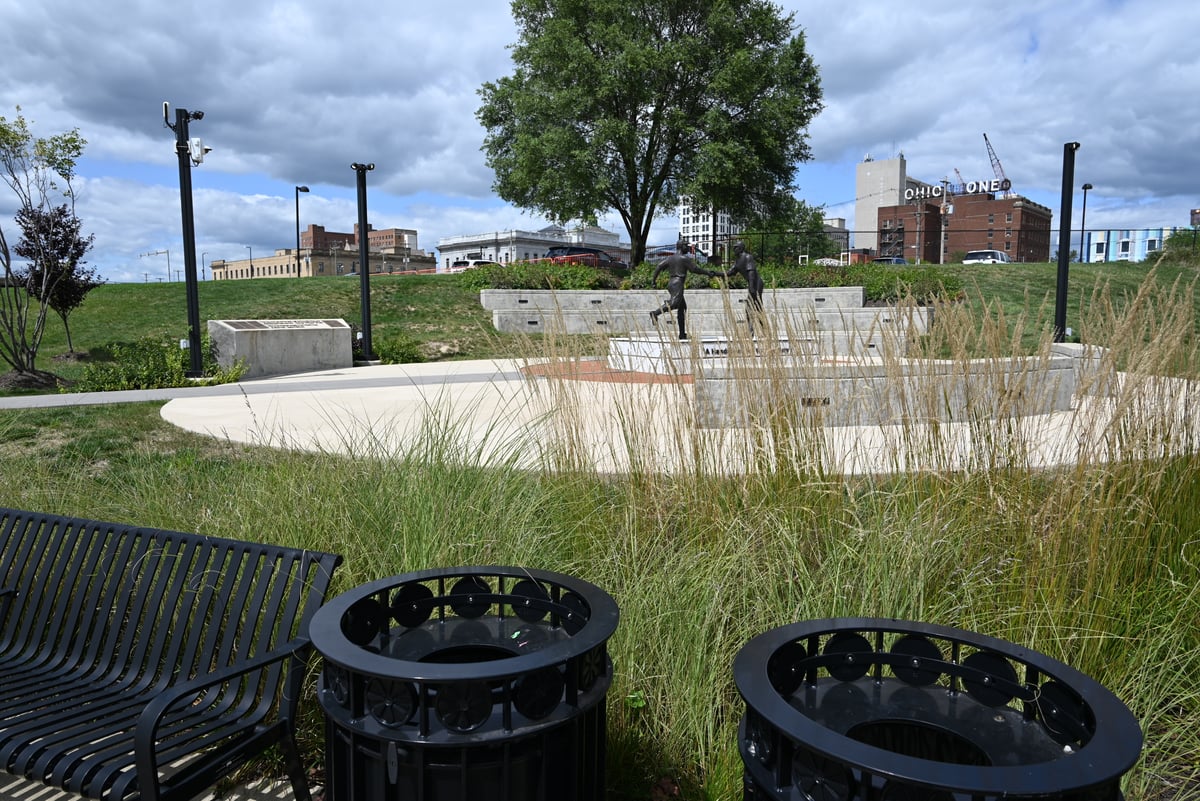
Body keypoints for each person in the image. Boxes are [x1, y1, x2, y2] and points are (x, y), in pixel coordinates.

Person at [649, 238, 720, 340]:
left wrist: (653, 281)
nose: (687, 247)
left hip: (672, 283)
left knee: (682, 308)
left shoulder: (670, 258)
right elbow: (695, 269)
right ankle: (655, 313)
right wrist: (708, 273)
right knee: (673, 304)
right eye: (686, 246)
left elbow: (659, 266)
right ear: (681, 246)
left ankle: (682, 334)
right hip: (678, 283)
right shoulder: (683, 258)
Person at [722, 241, 765, 335]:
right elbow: (730, 273)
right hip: (752, 284)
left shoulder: (748, 257)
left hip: (756, 284)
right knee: (755, 307)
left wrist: (752, 288)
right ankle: (757, 330)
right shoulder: (738, 261)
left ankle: (757, 330)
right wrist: (716, 273)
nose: (734, 250)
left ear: (741, 248)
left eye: (736, 248)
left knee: (755, 307)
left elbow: (752, 273)